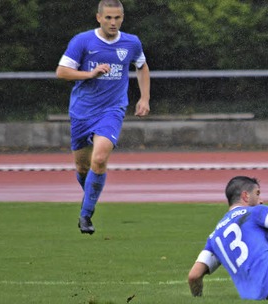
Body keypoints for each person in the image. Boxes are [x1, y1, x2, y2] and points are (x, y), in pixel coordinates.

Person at [56, 0, 151, 234]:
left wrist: (144, 98)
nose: (113, 22)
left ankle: (85, 215)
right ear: (99, 18)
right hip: (82, 112)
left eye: (117, 18)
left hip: (112, 110)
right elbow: (62, 71)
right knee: (82, 168)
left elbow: (142, 66)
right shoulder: (83, 41)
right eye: (108, 17)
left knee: (99, 159)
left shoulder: (131, 42)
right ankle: (90, 199)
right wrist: (90, 73)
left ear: (123, 18)